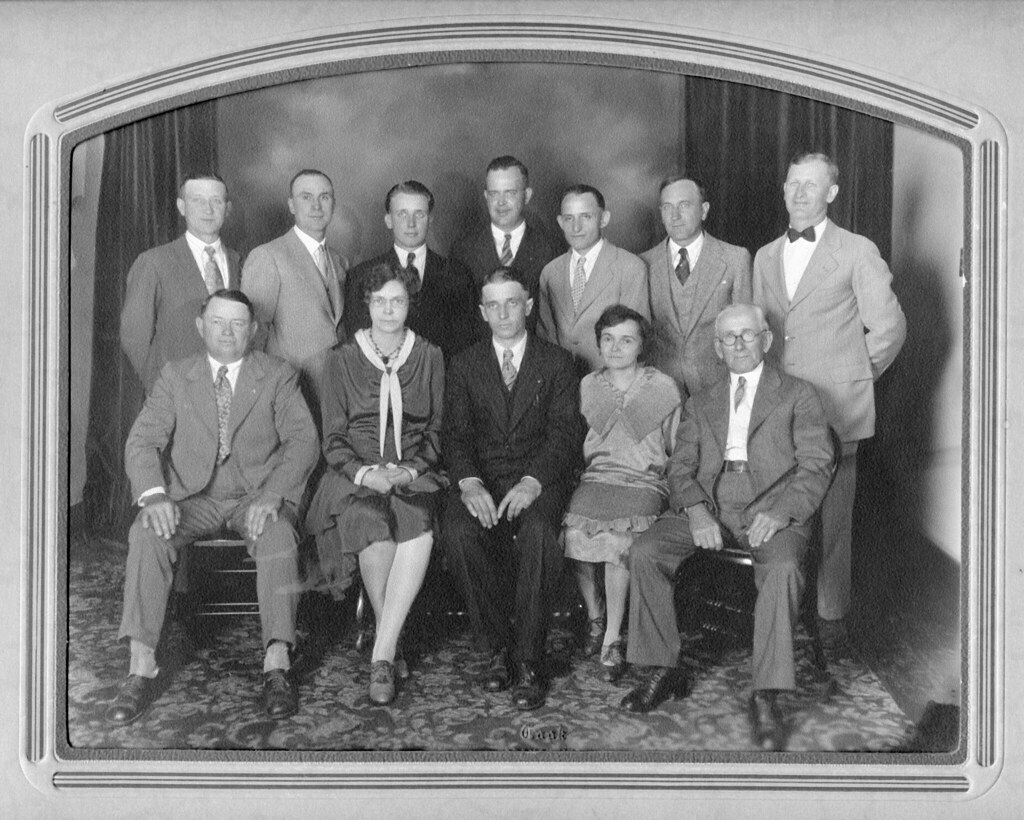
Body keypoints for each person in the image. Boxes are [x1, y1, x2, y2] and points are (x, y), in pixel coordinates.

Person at [619, 304, 834, 750]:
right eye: (729, 337)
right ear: (717, 347)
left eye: (748, 335)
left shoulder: (799, 394)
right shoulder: (701, 401)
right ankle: (665, 668)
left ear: (766, 340)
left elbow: (817, 464)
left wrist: (782, 512)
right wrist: (696, 510)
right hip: (712, 502)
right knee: (645, 551)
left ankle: (766, 694)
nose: (738, 344)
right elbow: (680, 467)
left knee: (782, 569)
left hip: (774, 506)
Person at [106, 289, 319, 725]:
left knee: (278, 533)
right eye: (218, 322)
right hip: (191, 498)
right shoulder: (175, 375)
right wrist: (154, 495)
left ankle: (276, 664)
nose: (227, 332)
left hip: (254, 496)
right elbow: (143, 441)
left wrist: (275, 493)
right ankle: (140, 666)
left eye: (238, 323)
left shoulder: (277, 374)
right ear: (201, 326)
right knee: (146, 531)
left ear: (254, 330)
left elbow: (303, 440)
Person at [752, 151, 906, 628]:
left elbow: (889, 329)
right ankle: (779, 615)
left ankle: (831, 617)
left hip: (838, 408)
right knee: (780, 506)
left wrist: (855, 377)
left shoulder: (858, 250)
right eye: (793, 183)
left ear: (831, 193)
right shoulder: (765, 255)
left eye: (811, 184)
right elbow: (762, 333)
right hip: (781, 409)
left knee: (834, 518)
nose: (799, 193)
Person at [442, 266, 583, 711]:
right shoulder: (464, 363)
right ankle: (496, 649)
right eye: (493, 305)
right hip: (481, 479)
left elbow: (564, 434)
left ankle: (527, 659)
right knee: (458, 532)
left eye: (512, 303)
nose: (504, 312)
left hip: (537, 480)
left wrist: (532, 481)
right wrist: (469, 484)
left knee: (540, 533)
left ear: (528, 306)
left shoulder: (557, 361)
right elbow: (456, 435)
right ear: (483, 312)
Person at [305, 263, 446, 705]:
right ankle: (391, 640)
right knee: (368, 519)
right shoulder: (341, 358)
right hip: (354, 475)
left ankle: (381, 652)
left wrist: (408, 470)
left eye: (398, 301)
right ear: (366, 304)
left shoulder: (430, 355)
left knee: (417, 518)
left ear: (410, 304)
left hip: (412, 473)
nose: (389, 310)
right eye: (379, 301)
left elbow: (437, 432)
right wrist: (367, 473)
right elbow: (333, 438)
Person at [563, 305, 681, 681]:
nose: (615, 348)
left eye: (626, 340)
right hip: (597, 479)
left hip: (643, 481)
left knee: (617, 541)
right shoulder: (588, 386)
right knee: (574, 534)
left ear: (641, 345)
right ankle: (595, 616)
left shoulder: (663, 387)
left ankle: (613, 637)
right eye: (608, 340)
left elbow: (676, 446)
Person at [120, 172, 242, 393]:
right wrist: (163, 389)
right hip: (177, 398)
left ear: (227, 207)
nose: (208, 209)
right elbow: (134, 338)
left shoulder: (239, 262)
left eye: (216, 201)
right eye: (197, 200)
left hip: (231, 394)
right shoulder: (153, 262)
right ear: (181, 206)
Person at [242, 168, 347, 411]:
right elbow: (255, 336)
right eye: (306, 197)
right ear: (291, 205)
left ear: (333, 204)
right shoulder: (267, 256)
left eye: (324, 197)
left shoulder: (339, 261)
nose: (316, 206)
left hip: (337, 395)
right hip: (291, 394)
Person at [641, 174, 752, 396]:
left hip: (719, 388)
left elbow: (747, 334)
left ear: (704, 210)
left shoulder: (735, 259)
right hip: (660, 390)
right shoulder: (643, 264)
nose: (675, 216)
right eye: (667, 207)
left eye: (684, 205)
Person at [343, 180, 477, 361]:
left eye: (419, 214)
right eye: (402, 214)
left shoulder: (457, 274)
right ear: (389, 220)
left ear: (430, 219)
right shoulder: (361, 276)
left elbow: (465, 345)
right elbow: (359, 346)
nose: (411, 223)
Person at [537, 184, 650, 377]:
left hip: (611, 384)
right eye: (569, 218)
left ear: (604, 219)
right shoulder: (550, 272)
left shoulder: (630, 267)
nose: (576, 227)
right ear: (560, 222)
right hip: (562, 385)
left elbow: (635, 339)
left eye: (586, 217)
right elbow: (546, 336)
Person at [448, 155, 562, 334]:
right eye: (494, 193)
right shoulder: (462, 249)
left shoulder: (551, 249)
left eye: (510, 193)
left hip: (534, 356)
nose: (501, 202)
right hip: (480, 357)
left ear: (527, 195)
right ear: (486, 196)